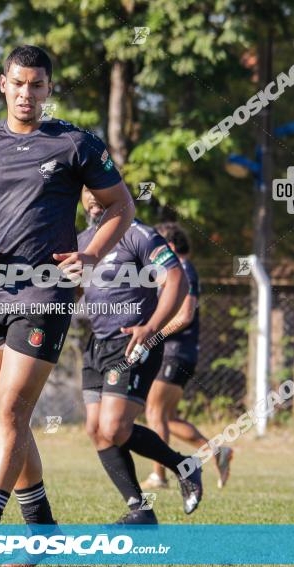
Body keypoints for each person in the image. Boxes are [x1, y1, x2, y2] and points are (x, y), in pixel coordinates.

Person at [0, 45, 135, 530]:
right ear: (3, 84)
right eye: (18, 82)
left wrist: (91, 254)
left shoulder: (76, 144)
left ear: (49, 89)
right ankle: (42, 527)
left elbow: (120, 206)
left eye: (37, 84)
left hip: (45, 292)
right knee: (1, 417)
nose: (27, 93)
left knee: (10, 410)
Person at [78, 188, 203, 524]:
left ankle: (182, 466)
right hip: (96, 346)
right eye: (85, 192)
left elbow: (176, 280)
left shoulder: (139, 234)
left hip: (132, 342)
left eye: (97, 190)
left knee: (115, 427)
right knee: (95, 429)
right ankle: (140, 509)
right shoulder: (83, 241)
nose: (91, 198)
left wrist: (151, 327)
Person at [141, 222, 233, 491]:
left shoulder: (182, 269)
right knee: (166, 418)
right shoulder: (174, 271)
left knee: (154, 412)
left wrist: (153, 335)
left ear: (169, 246)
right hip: (180, 353)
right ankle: (217, 452)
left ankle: (159, 476)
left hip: (174, 352)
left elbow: (185, 315)